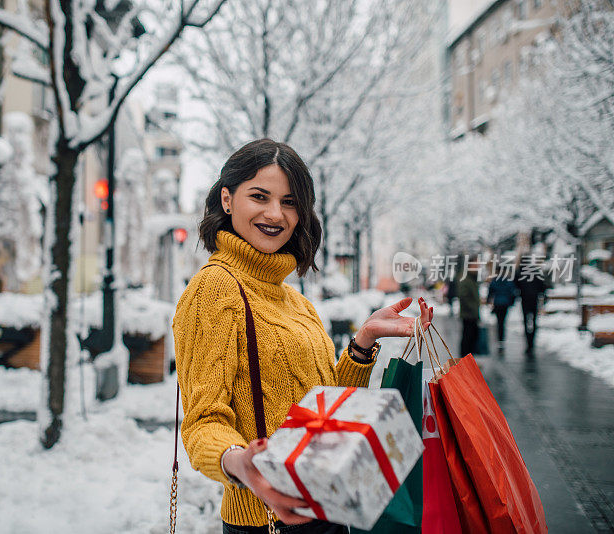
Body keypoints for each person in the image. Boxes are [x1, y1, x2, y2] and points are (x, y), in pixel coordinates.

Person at [172, 139, 434, 533]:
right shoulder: (215, 291)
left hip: (327, 509)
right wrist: (240, 462)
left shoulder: (295, 301)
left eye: (290, 202)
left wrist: (363, 342)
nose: (275, 213)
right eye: (259, 196)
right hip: (269, 520)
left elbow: (322, 411)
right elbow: (202, 422)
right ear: (227, 199)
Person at [515, 263, 547, 356]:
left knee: (526, 321)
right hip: (534, 300)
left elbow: (516, 286)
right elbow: (543, 287)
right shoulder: (536, 273)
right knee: (533, 321)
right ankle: (531, 342)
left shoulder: (520, 274)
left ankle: (528, 343)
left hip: (525, 300)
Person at [486, 271, 517, 352]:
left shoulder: (495, 281)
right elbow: (513, 292)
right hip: (505, 304)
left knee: (499, 322)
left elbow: (490, 291)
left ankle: (499, 339)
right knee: (502, 322)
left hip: (497, 304)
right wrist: (511, 302)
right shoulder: (508, 281)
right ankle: (502, 339)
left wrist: (488, 301)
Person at [458, 266, 480, 356]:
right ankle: (464, 359)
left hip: (473, 314)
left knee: (472, 337)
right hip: (468, 314)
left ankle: (469, 359)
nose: (478, 267)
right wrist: (472, 308)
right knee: (467, 338)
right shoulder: (466, 279)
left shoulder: (473, 278)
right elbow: (463, 296)